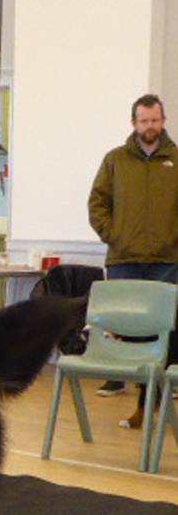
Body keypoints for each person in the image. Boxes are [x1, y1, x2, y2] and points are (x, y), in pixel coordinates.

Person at [88, 93, 178, 396]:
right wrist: (114, 235)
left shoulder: (176, 160)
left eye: (155, 120)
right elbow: (97, 202)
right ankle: (116, 377)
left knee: (163, 322)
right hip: (123, 257)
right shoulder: (114, 160)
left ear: (163, 121)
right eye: (144, 120)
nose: (150, 126)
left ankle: (163, 380)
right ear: (134, 123)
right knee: (120, 319)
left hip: (167, 258)